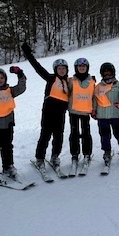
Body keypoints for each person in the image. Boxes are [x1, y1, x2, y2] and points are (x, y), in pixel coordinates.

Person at [20, 42, 69, 171]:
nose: (62, 70)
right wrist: (28, 54)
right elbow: (37, 67)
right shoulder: (51, 78)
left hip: (61, 114)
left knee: (59, 136)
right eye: (59, 68)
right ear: (55, 70)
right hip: (49, 111)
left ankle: (55, 156)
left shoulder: (69, 82)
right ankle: (40, 158)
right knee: (45, 135)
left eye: (64, 68)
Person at [92, 62, 119, 166]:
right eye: (105, 73)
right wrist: (94, 110)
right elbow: (95, 99)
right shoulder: (98, 87)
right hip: (102, 116)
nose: (107, 75)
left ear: (113, 73)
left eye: (109, 73)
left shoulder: (117, 84)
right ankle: (107, 152)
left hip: (114, 115)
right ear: (102, 74)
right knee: (104, 135)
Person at [68, 57, 95, 169]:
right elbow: (65, 93)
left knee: (86, 134)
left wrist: (94, 109)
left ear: (87, 68)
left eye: (84, 66)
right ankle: (75, 154)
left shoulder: (92, 81)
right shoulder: (71, 80)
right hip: (73, 111)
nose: (82, 68)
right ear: (76, 68)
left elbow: (94, 96)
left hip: (85, 111)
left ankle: (86, 154)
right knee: (74, 134)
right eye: (80, 66)